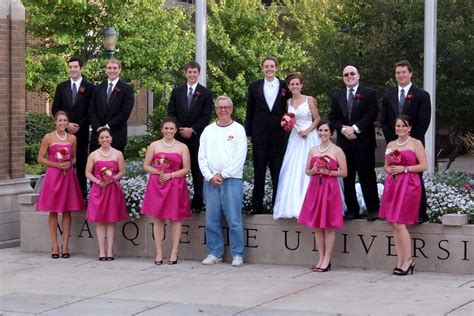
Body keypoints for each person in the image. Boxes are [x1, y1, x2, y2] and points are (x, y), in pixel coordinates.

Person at [198, 96, 247, 267]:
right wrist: (210, 176)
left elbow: (240, 157)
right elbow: (201, 156)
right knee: (211, 219)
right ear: (216, 109)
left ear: (231, 109)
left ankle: (238, 253)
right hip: (211, 181)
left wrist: (223, 174)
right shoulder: (208, 131)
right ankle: (215, 252)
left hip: (232, 180)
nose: (223, 110)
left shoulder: (239, 130)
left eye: (226, 107)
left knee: (234, 219)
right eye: (220, 107)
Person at [381, 60, 431, 223]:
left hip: (413, 146)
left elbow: (424, 121)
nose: (401, 75)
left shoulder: (422, 95)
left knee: (415, 181)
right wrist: (394, 144)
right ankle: (396, 212)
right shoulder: (388, 96)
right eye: (398, 73)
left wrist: (409, 141)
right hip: (394, 145)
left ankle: (419, 214)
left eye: (404, 72)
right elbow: (385, 122)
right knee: (395, 179)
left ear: (410, 73)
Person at [328, 65, 379, 221]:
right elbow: (333, 117)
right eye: (346, 74)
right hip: (345, 144)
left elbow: (372, 114)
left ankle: (373, 209)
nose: (349, 76)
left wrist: (355, 129)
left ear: (358, 75)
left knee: (367, 176)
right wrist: (343, 130)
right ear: (343, 78)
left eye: (352, 73)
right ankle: (352, 210)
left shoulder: (369, 93)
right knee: (347, 178)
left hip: (364, 142)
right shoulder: (337, 96)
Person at [379, 115, 428, 275]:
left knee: (400, 223)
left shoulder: (416, 143)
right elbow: (386, 165)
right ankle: (400, 260)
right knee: (394, 224)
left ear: (409, 128)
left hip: (409, 185)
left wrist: (404, 169)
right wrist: (391, 169)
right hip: (393, 184)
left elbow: (424, 166)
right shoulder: (391, 144)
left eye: (403, 126)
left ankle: (408, 260)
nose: (400, 129)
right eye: (397, 126)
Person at [298, 120, 347, 272]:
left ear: (331, 132)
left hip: (330, 188)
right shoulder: (313, 150)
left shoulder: (337, 150)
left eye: (326, 131)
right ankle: (320, 256)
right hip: (315, 187)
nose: (323, 133)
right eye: (320, 131)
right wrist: (313, 170)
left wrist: (329, 172)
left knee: (328, 224)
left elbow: (344, 172)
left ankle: (327, 258)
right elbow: (307, 170)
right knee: (317, 225)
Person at [141, 117, 191, 265]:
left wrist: (171, 175)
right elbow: (146, 165)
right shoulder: (154, 145)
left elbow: (186, 169)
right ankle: (159, 253)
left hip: (175, 185)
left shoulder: (182, 147)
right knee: (158, 219)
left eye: (171, 129)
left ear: (176, 130)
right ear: (162, 129)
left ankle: (174, 252)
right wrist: (159, 172)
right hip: (158, 184)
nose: (169, 131)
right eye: (166, 128)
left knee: (175, 219)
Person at [36, 111, 85, 259]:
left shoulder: (72, 138)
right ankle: (55, 245)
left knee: (66, 210)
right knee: (53, 211)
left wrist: (70, 163)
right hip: (53, 176)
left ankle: (65, 245)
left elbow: (75, 157)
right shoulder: (48, 137)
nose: (62, 123)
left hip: (67, 177)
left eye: (65, 120)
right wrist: (56, 165)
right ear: (55, 122)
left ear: (67, 122)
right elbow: (40, 159)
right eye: (60, 120)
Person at [245, 56, 290, 214]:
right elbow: (250, 110)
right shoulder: (254, 86)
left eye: (272, 66)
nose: (269, 69)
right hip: (259, 135)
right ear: (262, 68)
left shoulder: (285, 86)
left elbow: (292, 107)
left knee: (277, 172)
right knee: (259, 171)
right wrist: (248, 133)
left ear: (276, 68)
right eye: (266, 66)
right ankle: (256, 206)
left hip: (279, 135)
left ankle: (277, 206)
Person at [167, 60, 213, 214]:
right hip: (178, 138)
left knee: (196, 171)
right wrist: (180, 129)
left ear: (199, 74)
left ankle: (198, 202)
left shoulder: (206, 93)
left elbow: (206, 116)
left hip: (196, 138)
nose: (192, 74)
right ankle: (177, 200)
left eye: (195, 72)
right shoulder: (176, 91)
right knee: (177, 170)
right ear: (185, 73)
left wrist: (192, 129)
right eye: (189, 72)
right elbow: (171, 112)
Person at [273, 73, 320, 219]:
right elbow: (289, 121)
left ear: (301, 85)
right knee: (292, 168)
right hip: (295, 138)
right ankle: (293, 205)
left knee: (309, 166)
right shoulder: (287, 102)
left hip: (309, 136)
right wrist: (288, 126)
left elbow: (317, 119)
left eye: (297, 84)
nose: (294, 86)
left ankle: (313, 205)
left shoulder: (309, 99)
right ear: (288, 87)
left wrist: (307, 131)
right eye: (292, 84)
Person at [51, 56, 95, 198]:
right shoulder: (61, 87)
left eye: (75, 67)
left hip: (81, 132)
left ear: (81, 68)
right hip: (64, 132)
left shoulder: (90, 88)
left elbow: (91, 110)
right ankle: (65, 193)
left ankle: (81, 195)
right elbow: (55, 108)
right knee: (64, 160)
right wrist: (67, 124)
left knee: (81, 162)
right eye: (70, 67)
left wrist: (79, 125)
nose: (72, 69)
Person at [85, 127, 128, 261]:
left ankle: (110, 250)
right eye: (102, 137)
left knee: (111, 220)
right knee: (100, 221)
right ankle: (101, 251)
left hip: (112, 189)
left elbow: (122, 171)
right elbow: (87, 172)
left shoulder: (118, 154)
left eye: (107, 137)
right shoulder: (93, 155)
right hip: (99, 189)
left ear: (111, 138)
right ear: (98, 140)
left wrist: (112, 178)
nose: (104, 139)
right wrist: (98, 181)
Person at [89, 58, 135, 154]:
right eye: (109, 68)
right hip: (97, 135)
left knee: (115, 167)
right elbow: (92, 110)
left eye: (115, 68)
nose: (112, 71)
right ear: (106, 70)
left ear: (119, 70)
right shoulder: (97, 88)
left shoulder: (127, 89)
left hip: (116, 136)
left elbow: (125, 113)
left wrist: (107, 127)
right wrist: (98, 128)